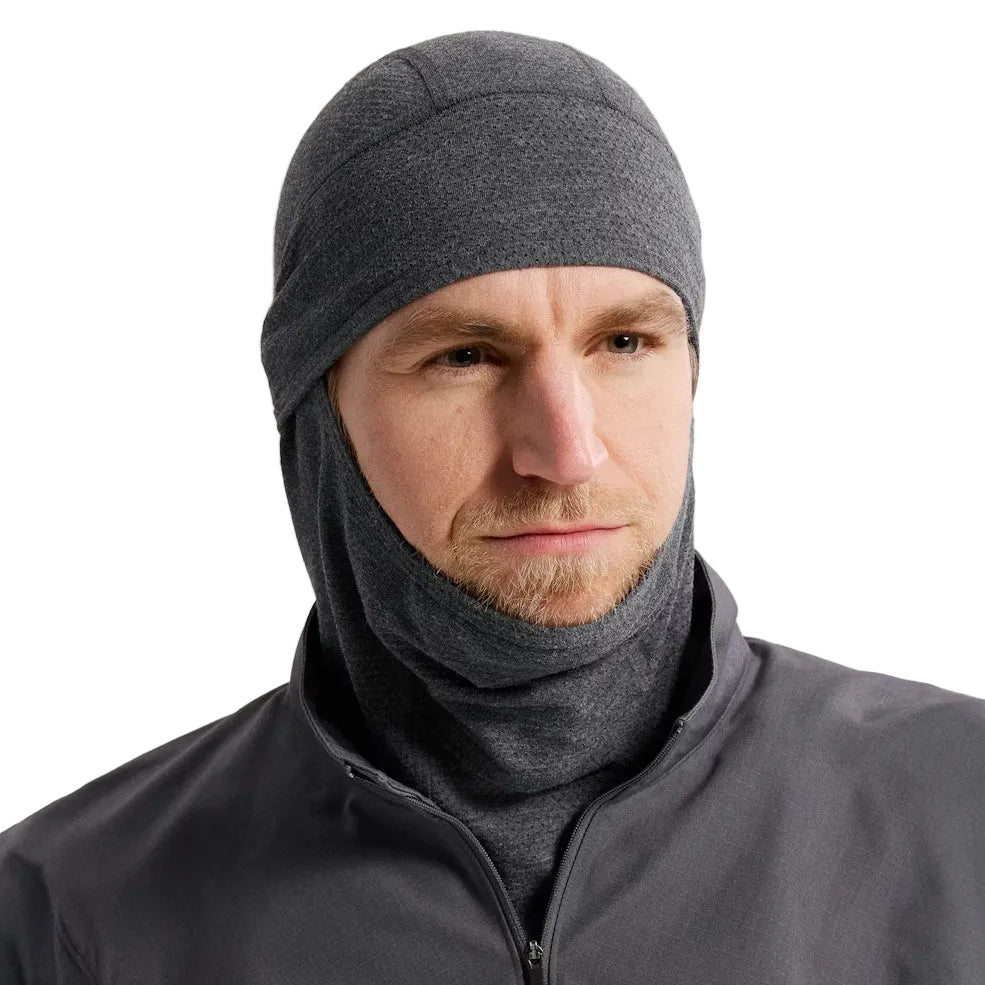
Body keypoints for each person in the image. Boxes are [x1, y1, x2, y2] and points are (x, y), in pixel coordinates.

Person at [2, 28, 983, 985]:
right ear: (316, 411)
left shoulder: (961, 808)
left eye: (625, 343)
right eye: (464, 357)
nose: (566, 451)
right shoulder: (66, 914)